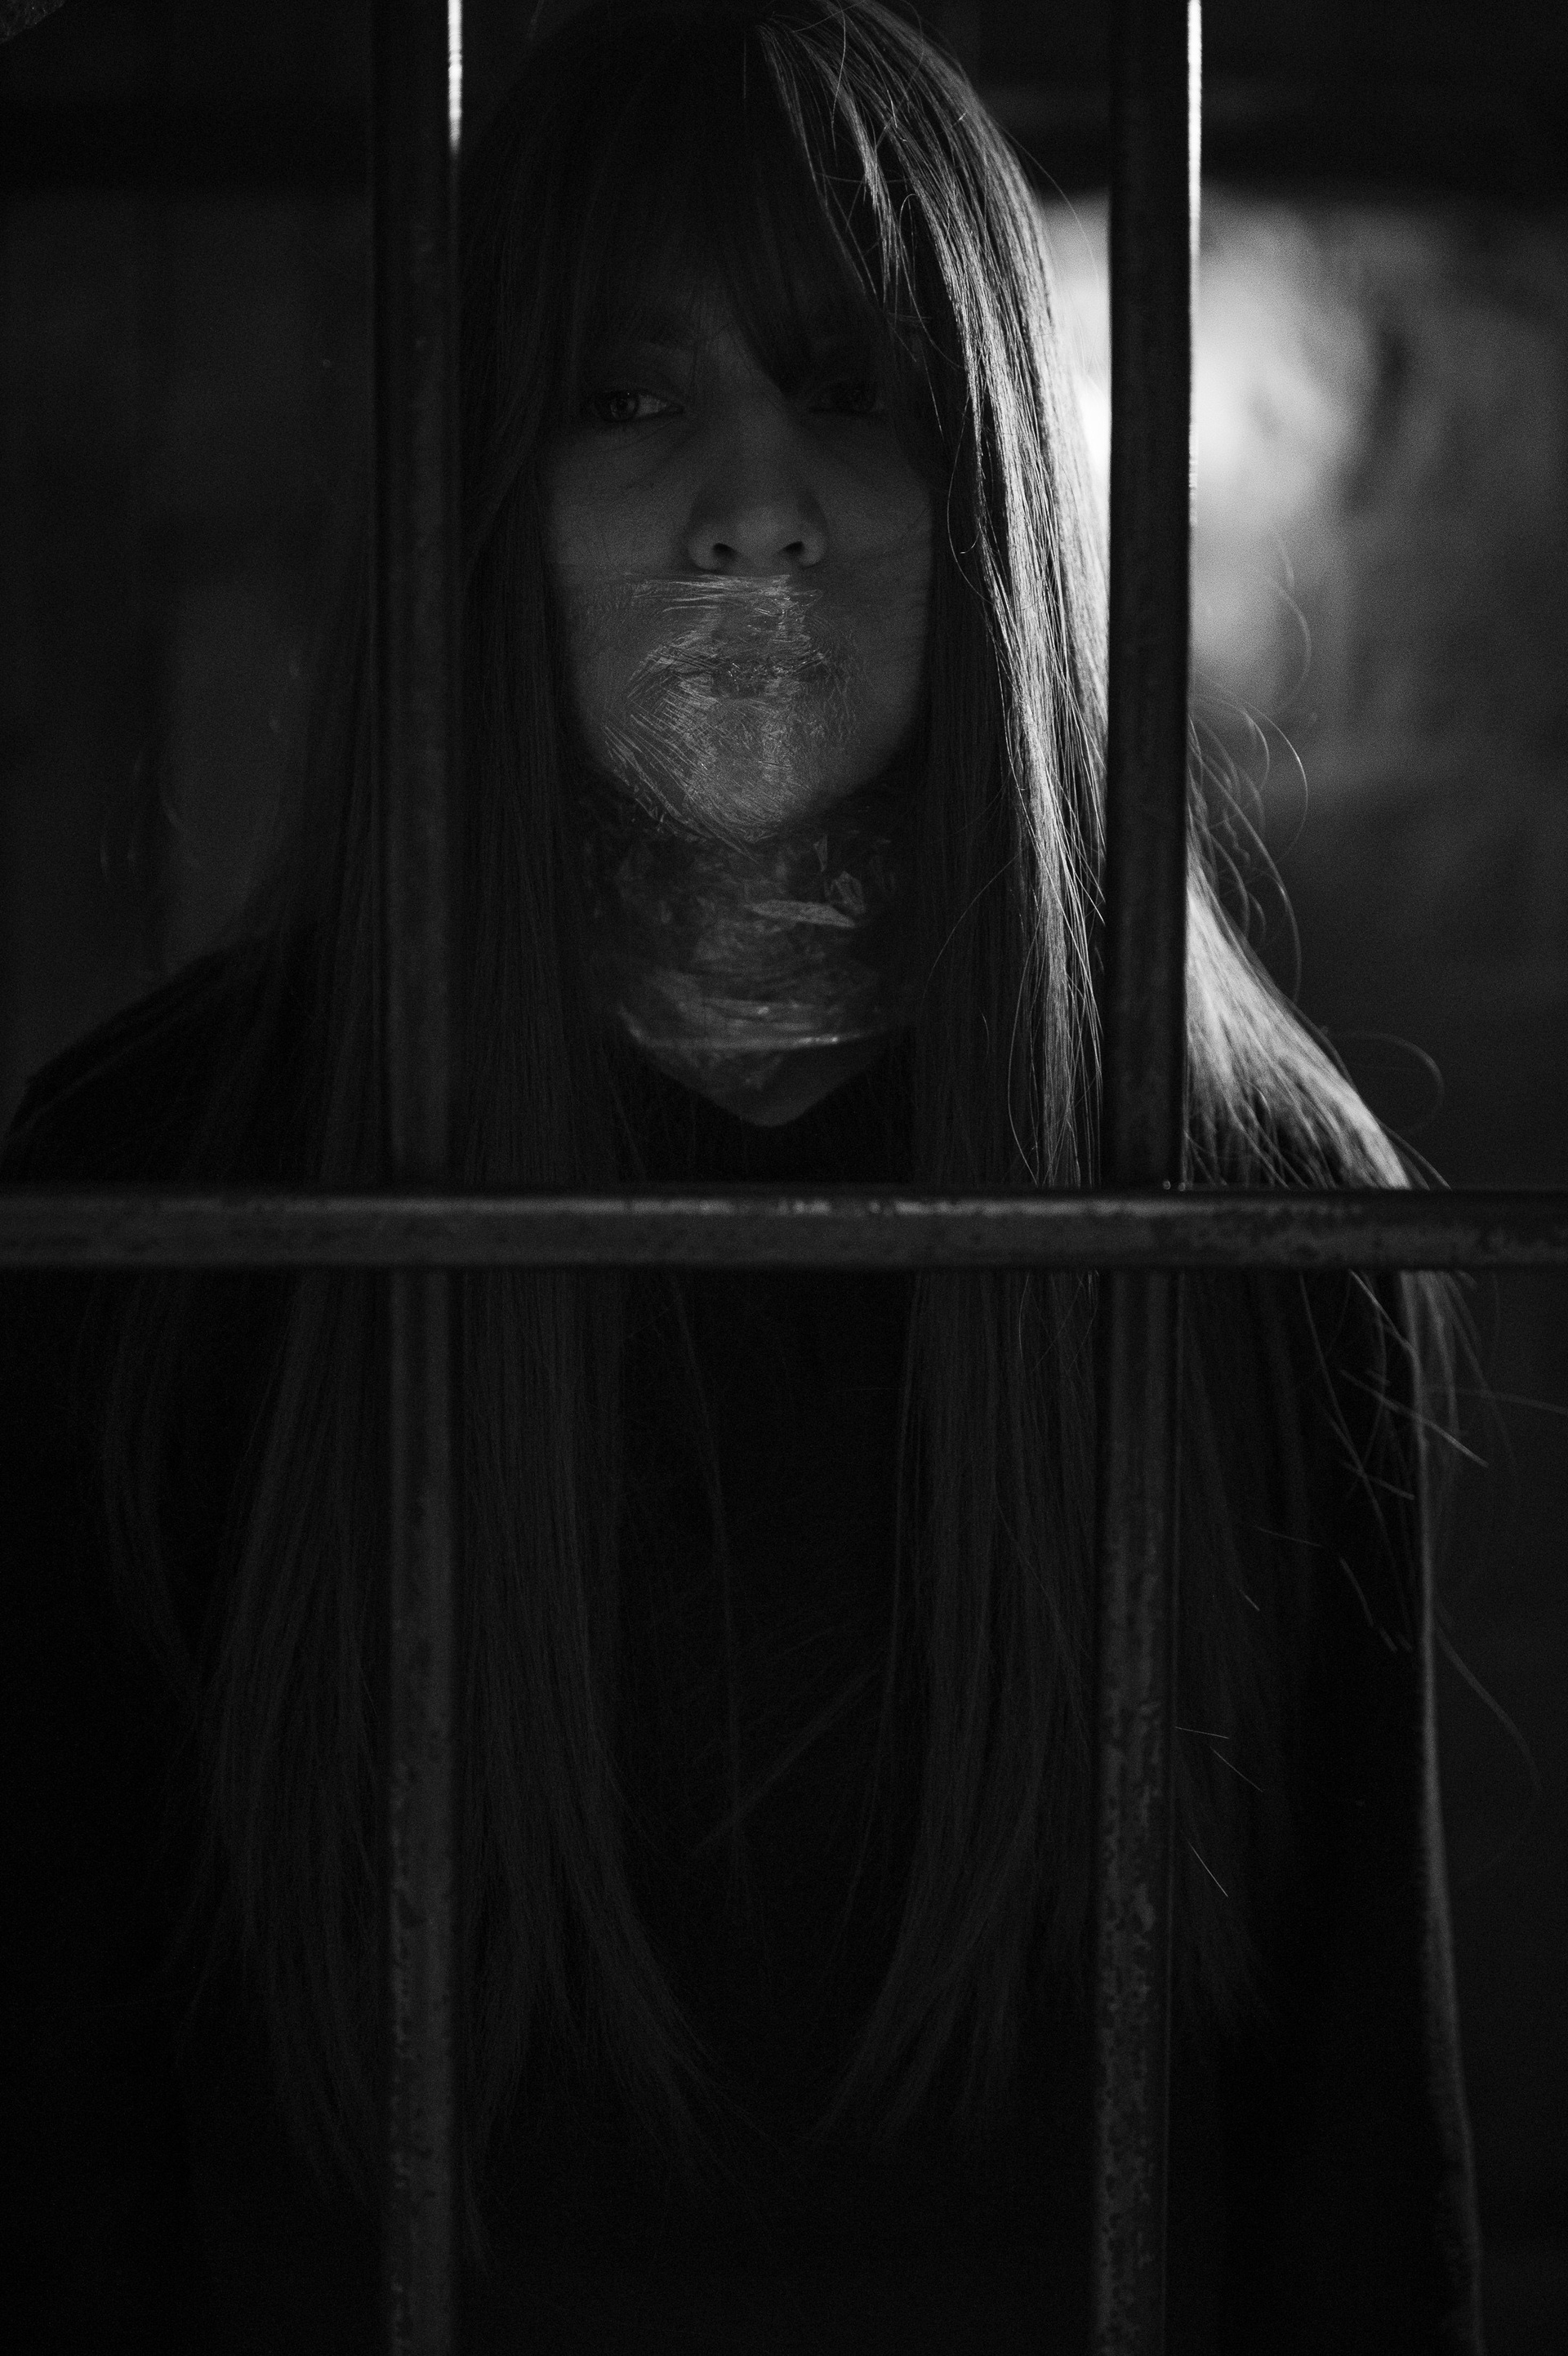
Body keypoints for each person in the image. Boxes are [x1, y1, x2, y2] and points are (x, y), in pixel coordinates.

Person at [2, 2, 1486, 2349]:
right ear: (477, 490)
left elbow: (1351, 2164)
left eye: (846, 382)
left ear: (990, 485)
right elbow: (60, 2155)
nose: (755, 503)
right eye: (627, 394)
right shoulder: (162, 1192)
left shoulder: (1253, 1201)